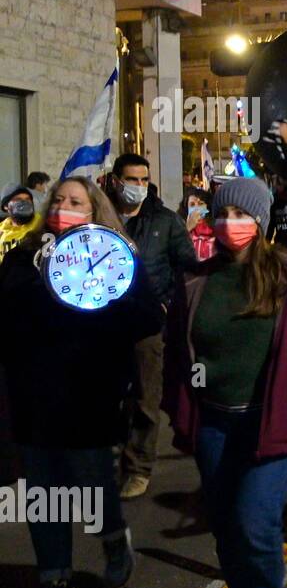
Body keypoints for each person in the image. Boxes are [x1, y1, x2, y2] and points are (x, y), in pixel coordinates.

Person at [162, 177, 287, 588]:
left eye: (241, 214)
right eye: (222, 213)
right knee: (225, 530)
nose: (229, 222)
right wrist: (181, 406)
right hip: (214, 428)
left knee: (255, 528)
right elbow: (175, 348)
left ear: (260, 221)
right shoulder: (197, 280)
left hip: (268, 426)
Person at [0, 177, 163, 588]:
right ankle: (57, 582)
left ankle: (112, 540)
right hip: (33, 397)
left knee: (91, 481)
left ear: (94, 212)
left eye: (75, 202)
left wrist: (112, 298)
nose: (63, 208)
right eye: (57, 200)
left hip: (89, 396)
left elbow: (149, 316)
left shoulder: (115, 255)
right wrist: (36, 278)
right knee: (43, 493)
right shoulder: (23, 257)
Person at [110, 153, 199, 500]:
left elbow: (188, 269)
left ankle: (139, 467)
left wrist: (167, 303)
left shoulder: (165, 222)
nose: (138, 187)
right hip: (105, 323)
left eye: (143, 180)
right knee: (110, 396)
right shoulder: (102, 219)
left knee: (146, 398)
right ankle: (111, 459)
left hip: (148, 323)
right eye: (131, 180)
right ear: (116, 181)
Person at [1, 184, 41, 259]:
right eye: (18, 199)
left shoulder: (41, 225)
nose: (24, 202)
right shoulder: (2, 229)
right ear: (6, 206)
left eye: (28, 199)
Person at [180, 186, 217, 262]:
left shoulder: (217, 229)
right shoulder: (178, 228)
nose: (196, 208)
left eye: (200, 204)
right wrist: (188, 228)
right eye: (192, 205)